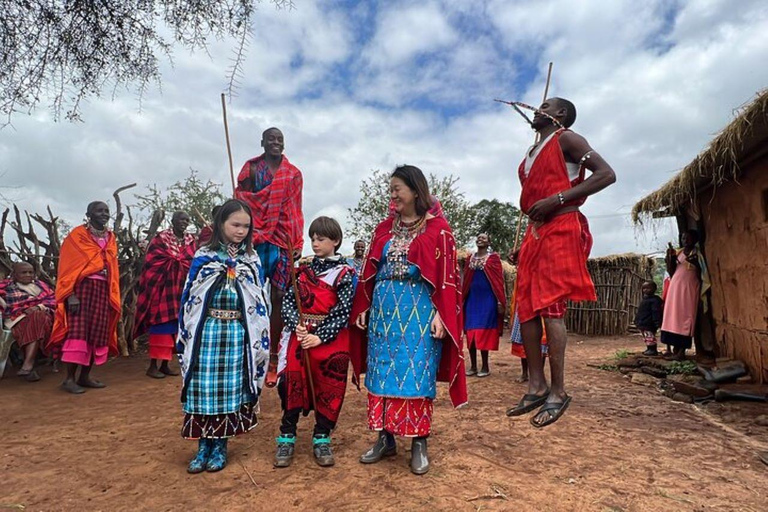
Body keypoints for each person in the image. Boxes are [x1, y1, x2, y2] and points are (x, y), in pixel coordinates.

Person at [350, 165, 467, 475]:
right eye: (390, 189)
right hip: (383, 312)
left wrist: (441, 314)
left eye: (397, 188)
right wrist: (364, 306)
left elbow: (448, 281)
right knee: (381, 374)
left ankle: (418, 442)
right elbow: (369, 272)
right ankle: (385, 439)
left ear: (416, 190)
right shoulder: (383, 229)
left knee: (416, 373)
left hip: (418, 312)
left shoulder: (439, 230)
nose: (392, 195)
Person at [507, 98, 616, 428]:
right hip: (535, 232)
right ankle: (536, 386)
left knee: (551, 307)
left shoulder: (567, 139)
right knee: (525, 308)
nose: (537, 109)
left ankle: (558, 391)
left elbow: (607, 174)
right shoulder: (530, 153)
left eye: (545, 105)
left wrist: (556, 199)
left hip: (562, 225)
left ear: (560, 115)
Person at [177, 199, 270, 473]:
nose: (241, 231)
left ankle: (220, 445)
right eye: (235, 225)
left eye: (246, 226)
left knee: (229, 390)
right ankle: (202, 446)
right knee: (203, 388)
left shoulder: (251, 259)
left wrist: (239, 275)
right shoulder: (204, 255)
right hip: (207, 333)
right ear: (221, 224)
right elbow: (190, 294)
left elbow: (259, 298)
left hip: (236, 334)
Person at [274, 216, 355, 468]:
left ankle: (322, 436)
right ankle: (286, 435)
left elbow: (343, 311)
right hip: (300, 337)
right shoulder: (303, 271)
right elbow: (288, 301)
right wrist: (295, 324)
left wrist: (319, 336)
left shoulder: (345, 273)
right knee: (290, 383)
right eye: (312, 239)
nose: (315, 243)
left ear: (336, 241)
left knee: (328, 388)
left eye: (320, 239)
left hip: (330, 342)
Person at [234, 127, 303, 385]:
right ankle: (247, 352)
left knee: (279, 295)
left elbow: (295, 209)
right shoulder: (251, 170)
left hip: (283, 239)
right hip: (254, 239)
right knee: (249, 293)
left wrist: (296, 240)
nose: (276, 142)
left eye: (280, 139)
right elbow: (242, 201)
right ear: (262, 142)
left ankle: (274, 356)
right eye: (271, 139)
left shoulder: (293, 174)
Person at [49, 201, 121, 394]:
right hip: (81, 290)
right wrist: (70, 295)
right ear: (88, 214)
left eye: (106, 211)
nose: (104, 214)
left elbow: (112, 268)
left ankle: (85, 376)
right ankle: (69, 379)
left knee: (97, 332)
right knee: (77, 333)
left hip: (103, 291)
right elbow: (67, 268)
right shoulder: (77, 236)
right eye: (99, 211)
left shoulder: (111, 238)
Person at [134, 211, 196, 378]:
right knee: (161, 326)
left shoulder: (190, 241)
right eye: (181, 219)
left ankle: (165, 365)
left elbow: (192, 262)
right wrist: (172, 262)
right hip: (163, 290)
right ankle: (153, 366)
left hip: (181, 290)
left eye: (187, 220)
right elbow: (152, 261)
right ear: (173, 221)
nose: (184, 222)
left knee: (175, 327)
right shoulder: (161, 238)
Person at [0, 262, 56, 382]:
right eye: (23, 272)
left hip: (41, 316)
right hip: (16, 319)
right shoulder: (6, 287)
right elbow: (6, 306)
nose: (28, 275)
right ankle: (30, 364)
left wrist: (38, 307)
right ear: (14, 274)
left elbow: (54, 300)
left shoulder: (41, 286)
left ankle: (28, 364)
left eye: (30, 272)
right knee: (40, 319)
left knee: (39, 317)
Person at [660, 230, 708, 360]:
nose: (685, 240)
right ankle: (674, 350)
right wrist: (670, 260)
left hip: (689, 289)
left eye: (688, 238)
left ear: (695, 239)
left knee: (686, 317)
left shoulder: (697, 255)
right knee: (673, 316)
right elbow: (671, 272)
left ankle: (681, 351)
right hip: (675, 288)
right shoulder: (679, 253)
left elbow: (702, 275)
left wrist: (696, 264)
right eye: (683, 238)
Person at [462, 233, 505, 377]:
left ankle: (485, 366)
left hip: (488, 301)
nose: (480, 239)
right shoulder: (470, 259)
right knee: (471, 332)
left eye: (484, 238)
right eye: (478, 238)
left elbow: (498, 282)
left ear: (489, 242)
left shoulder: (493, 259)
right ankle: (473, 366)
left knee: (483, 333)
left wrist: (499, 301)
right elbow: (466, 280)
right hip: (472, 300)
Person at [635, 280, 663, 356]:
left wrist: (657, 322)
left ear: (654, 289)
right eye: (644, 288)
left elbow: (656, 312)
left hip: (649, 323)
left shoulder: (655, 300)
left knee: (650, 336)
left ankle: (652, 349)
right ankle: (649, 348)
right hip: (643, 322)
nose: (645, 290)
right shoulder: (645, 299)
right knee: (646, 337)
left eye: (648, 288)